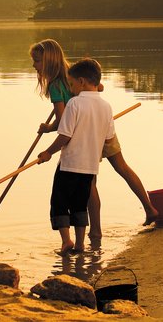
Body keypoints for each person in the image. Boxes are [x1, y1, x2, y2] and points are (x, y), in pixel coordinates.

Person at [30, 39, 159, 240]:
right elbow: (99, 87)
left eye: (37, 61)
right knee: (122, 167)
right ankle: (150, 208)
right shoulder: (74, 71)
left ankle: (96, 230)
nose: (34, 66)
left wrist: (48, 129)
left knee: (87, 182)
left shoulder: (56, 85)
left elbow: (64, 121)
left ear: (48, 62)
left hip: (82, 136)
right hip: (101, 126)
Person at [37, 58, 114, 254]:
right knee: (80, 205)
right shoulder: (106, 107)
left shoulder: (75, 104)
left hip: (69, 164)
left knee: (60, 203)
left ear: (82, 82)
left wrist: (48, 152)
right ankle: (80, 243)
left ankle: (66, 241)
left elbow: (65, 135)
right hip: (90, 168)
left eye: (71, 84)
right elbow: (108, 138)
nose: (70, 89)